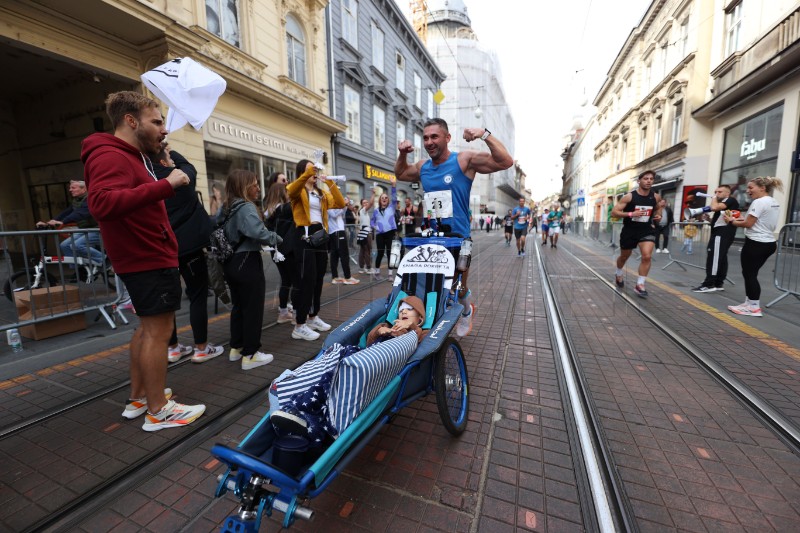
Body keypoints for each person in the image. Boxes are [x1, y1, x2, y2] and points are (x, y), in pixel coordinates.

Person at [81, 90, 205, 431]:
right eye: (157, 121)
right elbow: (103, 203)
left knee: (148, 329)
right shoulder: (110, 154)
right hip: (146, 256)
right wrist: (167, 184)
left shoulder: (128, 155)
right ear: (131, 121)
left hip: (145, 254)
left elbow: (123, 194)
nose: (164, 129)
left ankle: (139, 399)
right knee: (158, 332)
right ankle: (158, 410)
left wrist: (160, 164)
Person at [395, 118, 513, 337]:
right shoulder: (423, 167)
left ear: (447, 138)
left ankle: (467, 310)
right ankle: (432, 330)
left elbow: (505, 161)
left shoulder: (464, 160)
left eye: (434, 137)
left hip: (458, 239)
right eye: (426, 138)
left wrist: (483, 134)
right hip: (431, 237)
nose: (429, 142)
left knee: (457, 288)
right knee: (430, 286)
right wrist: (402, 154)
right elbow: (400, 174)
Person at [150, 144, 222, 364]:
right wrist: (168, 150)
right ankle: (201, 348)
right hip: (189, 247)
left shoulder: (147, 183)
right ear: (164, 162)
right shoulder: (180, 178)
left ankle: (173, 348)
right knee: (197, 294)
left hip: (163, 250)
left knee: (169, 300)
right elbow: (187, 166)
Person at [220, 170, 281, 369]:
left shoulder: (228, 207)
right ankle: (251, 354)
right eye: (254, 184)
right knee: (253, 308)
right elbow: (257, 231)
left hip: (231, 262)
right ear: (245, 187)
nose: (258, 188)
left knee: (239, 307)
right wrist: (277, 238)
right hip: (248, 261)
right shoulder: (246, 207)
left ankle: (236, 348)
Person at [287, 160, 346, 341]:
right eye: (309, 169)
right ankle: (299, 324)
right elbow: (290, 191)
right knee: (307, 280)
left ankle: (313, 317)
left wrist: (329, 182)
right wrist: (306, 175)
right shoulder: (299, 191)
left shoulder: (320, 192)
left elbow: (340, 203)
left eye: (315, 168)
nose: (314, 171)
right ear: (302, 172)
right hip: (304, 235)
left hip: (320, 236)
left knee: (319, 278)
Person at [724, 177, 783, 317]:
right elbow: (757, 221)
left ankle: (754, 307)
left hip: (756, 242)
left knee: (749, 274)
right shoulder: (773, 201)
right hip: (768, 243)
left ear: (762, 188)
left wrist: (731, 221)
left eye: (751, 188)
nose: (748, 191)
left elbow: (748, 224)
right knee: (751, 273)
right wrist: (740, 219)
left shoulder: (759, 202)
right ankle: (749, 303)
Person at [611, 170, 662, 298]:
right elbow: (614, 212)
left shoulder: (655, 197)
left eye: (651, 179)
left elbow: (658, 208)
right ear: (639, 181)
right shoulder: (629, 196)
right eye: (646, 178)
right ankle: (618, 273)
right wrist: (630, 214)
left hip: (646, 229)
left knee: (646, 256)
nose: (649, 181)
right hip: (630, 230)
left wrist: (658, 216)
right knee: (624, 257)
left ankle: (640, 285)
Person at [37, 180, 105, 271]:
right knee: (65, 245)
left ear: (84, 189)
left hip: (98, 229)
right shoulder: (77, 200)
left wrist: (63, 222)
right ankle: (78, 270)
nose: (70, 190)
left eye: (73, 188)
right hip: (85, 229)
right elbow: (66, 212)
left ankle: (104, 260)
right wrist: (50, 222)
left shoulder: (90, 199)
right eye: (70, 188)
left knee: (77, 245)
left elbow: (80, 214)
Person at [692, 185, 740, 293]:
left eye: (719, 191)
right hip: (721, 233)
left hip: (721, 234)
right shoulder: (726, 205)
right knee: (721, 258)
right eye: (715, 191)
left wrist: (713, 198)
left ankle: (709, 284)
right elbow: (719, 221)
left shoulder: (729, 200)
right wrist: (709, 219)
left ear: (727, 193)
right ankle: (718, 283)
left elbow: (714, 207)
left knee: (713, 258)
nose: (716, 193)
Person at [264, 181, 298, 325]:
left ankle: (283, 312)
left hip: (276, 250)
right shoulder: (284, 209)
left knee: (286, 281)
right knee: (294, 281)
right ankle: (297, 316)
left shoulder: (268, 211)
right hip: (287, 250)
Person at [328, 197, 360, 285]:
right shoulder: (329, 205)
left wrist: (345, 205)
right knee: (343, 254)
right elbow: (334, 215)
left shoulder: (336, 206)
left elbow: (343, 213)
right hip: (337, 232)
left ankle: (335, 277)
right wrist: (344, 205)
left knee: (335, 255)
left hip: (337, 232)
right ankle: (347, 277)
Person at [371, 179, 398, 280]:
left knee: (390, 253)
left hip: (390, 233)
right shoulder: (376, 211)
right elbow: (372, 222)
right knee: (380, 253)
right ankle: (377, 272)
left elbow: (394, 198)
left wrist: (393, 186)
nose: (385, 199)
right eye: (383, 197)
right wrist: (375, 227)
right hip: (380, 234)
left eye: (386, 197)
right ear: (380, 200)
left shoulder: (391, 208)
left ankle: (390, 274)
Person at [357, 193, 375, 274]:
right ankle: (368, 267)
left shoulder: (362, 212)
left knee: (363, 250)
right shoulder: (363, 210)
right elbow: (371, 203)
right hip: (366, 232)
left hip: (363, 232)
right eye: (364, 203)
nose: (366, 204)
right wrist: (373, 193)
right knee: (367, 250)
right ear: (362, 204)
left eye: (366, 202)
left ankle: (362, 267)